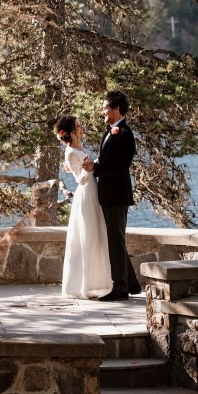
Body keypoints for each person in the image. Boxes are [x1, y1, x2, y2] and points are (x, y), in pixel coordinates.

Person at [85, 90, 141, 301]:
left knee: (115, 241)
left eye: (105, 107)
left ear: (116, 109)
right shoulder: (110, 131)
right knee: (116, 240)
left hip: (117, 195)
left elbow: (121, 167)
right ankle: (132, 284)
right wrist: (94, 165)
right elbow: (106, 160)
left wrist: (97, 169)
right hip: (108, 194)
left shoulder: (125, 134)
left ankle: (120, 288)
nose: (103, 111)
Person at [54, 115, 113, 300]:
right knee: (86, 236)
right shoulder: (71, 151)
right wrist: (89, 170)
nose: (82, 128)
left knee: (96, 235)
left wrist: (92, 166)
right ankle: (82, 285)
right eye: (78, 126)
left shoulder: (79, 149)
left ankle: (97, 282)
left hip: (93, 192)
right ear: (71, 132)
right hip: (86, 194)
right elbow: (79, 179)